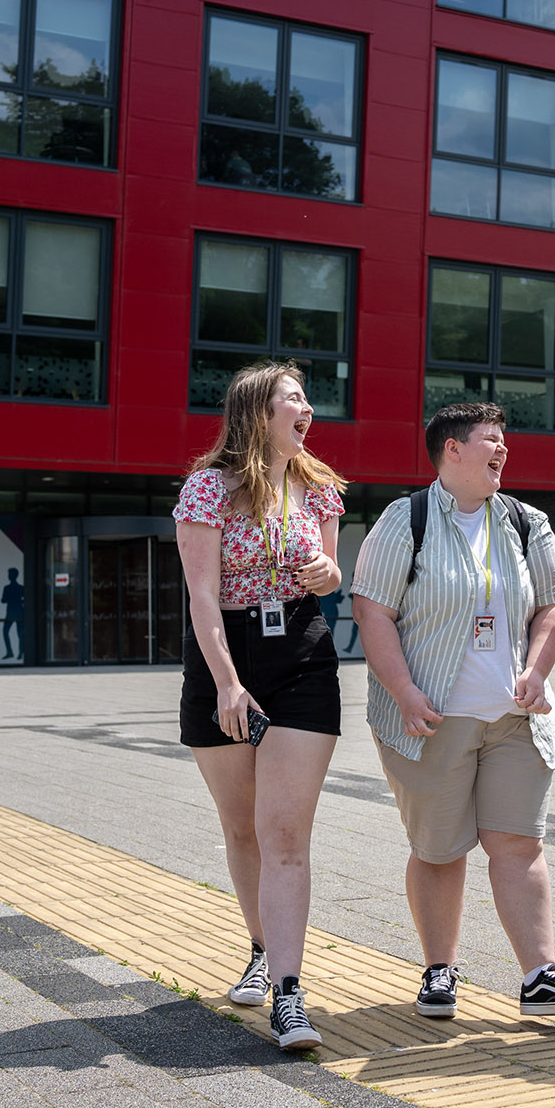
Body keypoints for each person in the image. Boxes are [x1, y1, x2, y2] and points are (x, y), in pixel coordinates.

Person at [352, 403, 555, 1021]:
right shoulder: (404, 519)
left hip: (515, 719)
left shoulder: (526, 521)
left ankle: (541, 977)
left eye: (504, 441)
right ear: (453, 450)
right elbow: (372, 611)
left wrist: (537, 672)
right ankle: (439, 970)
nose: (503, 451)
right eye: (491, 440)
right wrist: (404, 691)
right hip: (430, 718)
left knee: (519, 842)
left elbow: (553, 605)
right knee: (439, 850)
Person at [173, 361, 347, 1051]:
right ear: (257, 411)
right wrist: (226, 683)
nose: (307, 410)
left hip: (301, 653)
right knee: (243, 828)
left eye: (307, 400)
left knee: (284, 834)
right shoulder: (207, 489)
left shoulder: (320, 487)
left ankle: (289, 994)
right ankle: (259, 947)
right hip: (224, 658)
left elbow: (329, 575)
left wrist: (328, 573)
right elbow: (202, 596)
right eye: (293, 399)